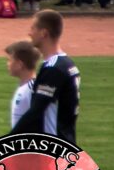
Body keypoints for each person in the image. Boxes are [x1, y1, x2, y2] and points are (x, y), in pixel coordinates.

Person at [12, 11, 79, 143]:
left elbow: (36, 111)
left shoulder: (54, 68)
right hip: (66, 139)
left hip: (54, 145)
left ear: (43, 33)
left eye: (33, 28)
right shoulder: (66, 64)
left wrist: (8, 140)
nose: (29, 33)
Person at [4, 40, 41, 129]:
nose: (7, 64)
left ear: (20, 64)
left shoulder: (33, 89)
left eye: (10, 60)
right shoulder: (25, 87)